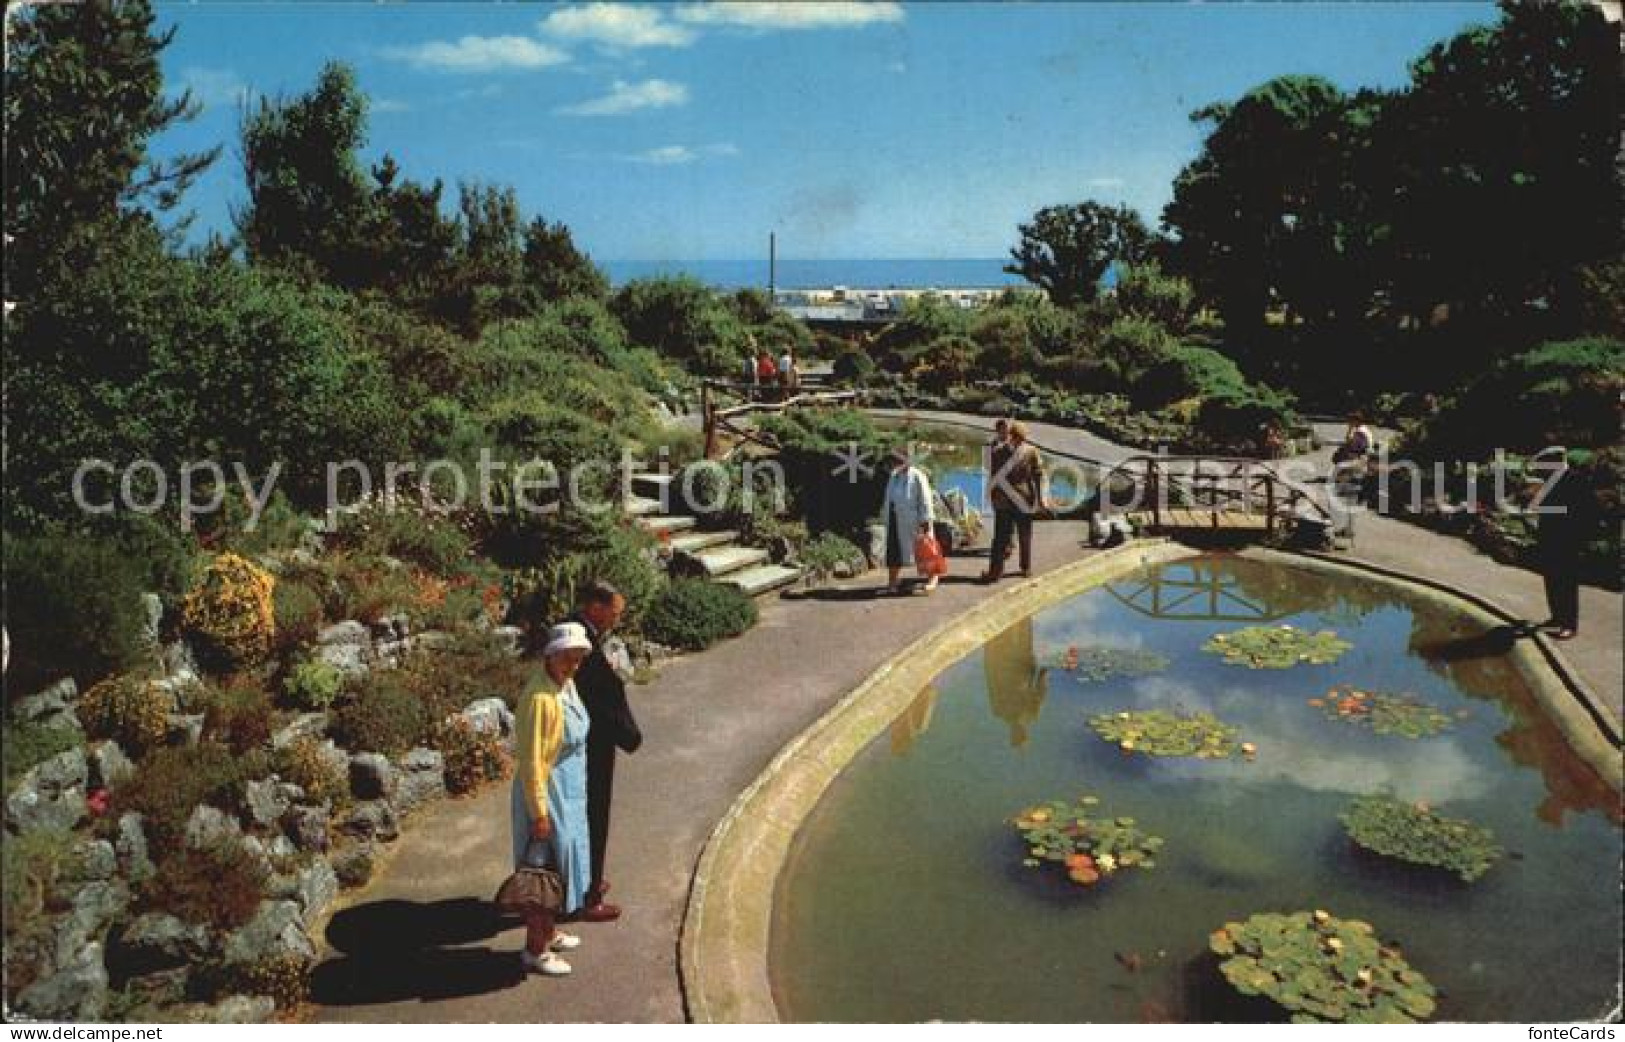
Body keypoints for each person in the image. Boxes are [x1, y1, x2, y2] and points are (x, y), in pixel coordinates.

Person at [511, 622, 595, 976]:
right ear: (551, 655)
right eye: (567, 658)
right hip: (548, 794)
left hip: (570, 791)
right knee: (543, 873)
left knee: (563, 865)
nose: (573, 666)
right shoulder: (539, 698)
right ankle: (535, 950)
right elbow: (531, 761)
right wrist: (539, 814)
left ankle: (551, 932)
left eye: (578, 659)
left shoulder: (566, 684)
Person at [567, 581, 640, 922]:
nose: (616, 619)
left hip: (583, 740)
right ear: (596, 607)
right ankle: (589, 892)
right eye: (614, 611)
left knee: (586, 816)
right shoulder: (582, 642)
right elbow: (603, 697)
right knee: (595, 815)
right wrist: (631, 737)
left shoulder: (575, 631)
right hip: (592, 744)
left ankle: (585, 881)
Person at [1530, 452, 1594, 640]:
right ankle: (1557, 617)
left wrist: (1576, 536)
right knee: (1552, 580)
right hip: (1551, 539)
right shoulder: (1552, 479)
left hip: (1567, 540)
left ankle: (1569, 624)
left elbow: (1585, 510)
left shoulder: (1575, 480)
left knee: (1566, 583)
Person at [981, 421, 1045, 582]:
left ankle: (997, 572)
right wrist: (1040, 499)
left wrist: (990, 494)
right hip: (1020, 499)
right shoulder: (1030, 451)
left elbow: (992, 475)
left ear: (1012, 436)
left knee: (1003, 537)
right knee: (1020, 535)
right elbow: (1038, 475)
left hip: (1008, 500)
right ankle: (1023, 568)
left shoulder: (1000, 451)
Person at [882, 444, 938, 595]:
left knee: (926, 551)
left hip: (915, 521)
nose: (896, 464)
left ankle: (933, 579)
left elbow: (925, 500)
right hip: (896, 520)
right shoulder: (894, 476)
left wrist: (925, 520)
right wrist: (886, 517)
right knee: (894, 553)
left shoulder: (917, 476)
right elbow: (888, 498)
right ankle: (892, 582)